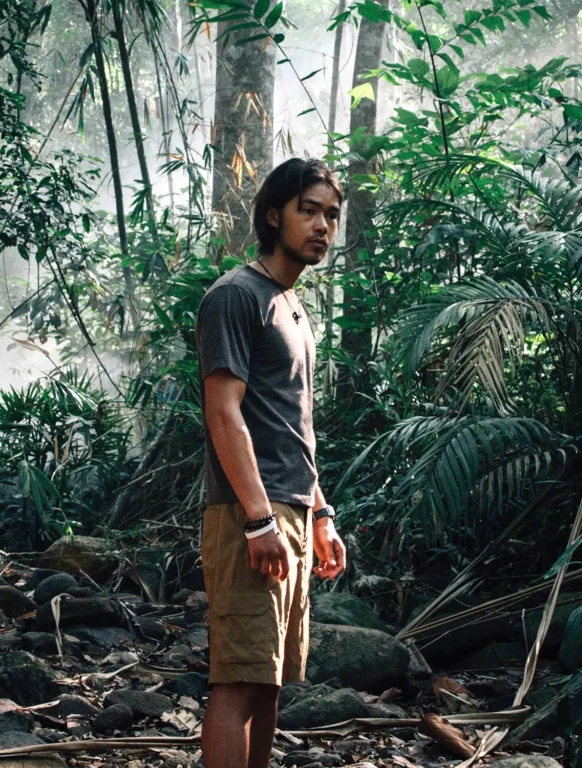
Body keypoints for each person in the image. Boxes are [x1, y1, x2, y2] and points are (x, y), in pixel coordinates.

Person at [197, 157, 349, 768]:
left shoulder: (291, 304)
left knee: (269, 679)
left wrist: (319, 513)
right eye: (308, 210)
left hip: (289, 509)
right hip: (247, 513)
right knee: (236, 681)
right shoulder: (237, 296)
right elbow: (224, 413)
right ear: (273, 215)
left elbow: (293, 425)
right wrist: (259, 521)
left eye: (331, 215)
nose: (322, 226)